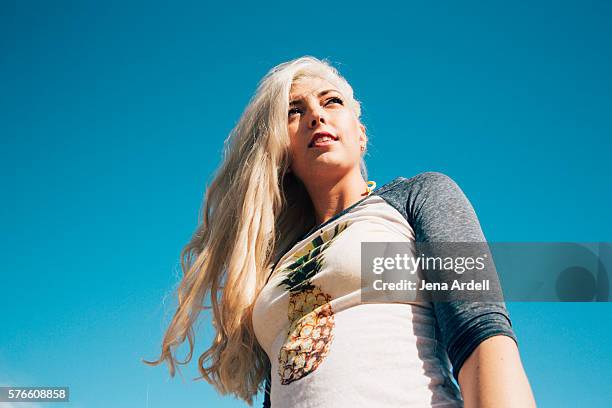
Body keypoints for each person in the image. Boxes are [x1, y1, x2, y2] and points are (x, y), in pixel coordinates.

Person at [145, 56, 536, 407]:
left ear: (360, 132)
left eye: (331, 101)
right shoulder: (278, 268)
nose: (316, 115)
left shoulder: (417, 196)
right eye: (294, 111)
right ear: (282, 152)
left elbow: (481, 332)